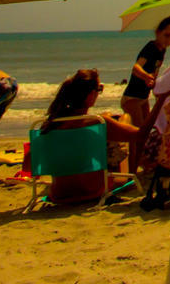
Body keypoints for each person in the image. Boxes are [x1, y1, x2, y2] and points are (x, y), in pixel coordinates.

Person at [39, 69, 140, 204]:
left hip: (59, 194)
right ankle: (129, 177)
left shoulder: (49, 126)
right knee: (125, 119)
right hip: (93, 192)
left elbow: (28, 166)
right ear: (91, 95)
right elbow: (139, 135)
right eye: (99, 89)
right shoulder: (98, 123)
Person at [121, 16, 170, 132]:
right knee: (138, 133)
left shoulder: (162, 50)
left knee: (146, 130)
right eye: (167, 35)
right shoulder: (151, 47)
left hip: (143, 97)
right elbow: (136, 68)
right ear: (158, 32)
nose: (169, 40)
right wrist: (146, 77)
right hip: (132, 97)